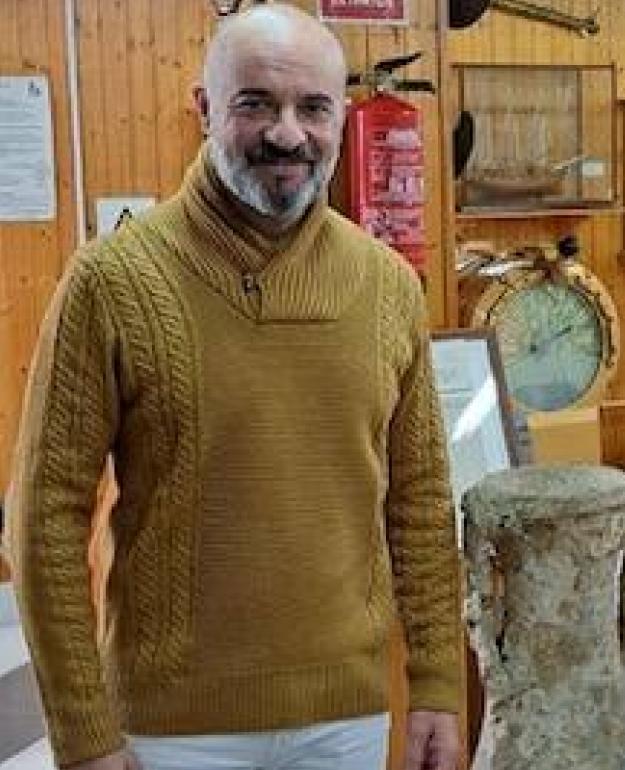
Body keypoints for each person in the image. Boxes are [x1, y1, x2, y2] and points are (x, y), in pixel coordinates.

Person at [2, 4, 463, 769]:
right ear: (205, 107)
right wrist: (84, 735)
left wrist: (438, 682)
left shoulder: (387, 287)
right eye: (255, 103)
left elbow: (418, 500)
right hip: (172, 732)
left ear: (340, 117)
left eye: (312, 107)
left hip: (345, 718)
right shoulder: (112, 283)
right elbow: (43, 520)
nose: (287, 133)